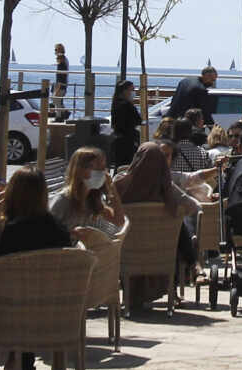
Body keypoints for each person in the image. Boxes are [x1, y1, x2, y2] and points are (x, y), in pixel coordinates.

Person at [0, 166, 77, 370]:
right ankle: (21, 365)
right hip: (53, 306)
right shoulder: (57, 229)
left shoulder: (9, 231)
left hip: (10, 308)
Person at [115, 142, 200, 305]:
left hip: (128, 251)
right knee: (175, 226)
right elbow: (193, 207)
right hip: (160, 253)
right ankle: (191, 266)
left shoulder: (120, 182)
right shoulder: (166, 186)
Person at [50, 146, 125, 236]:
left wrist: (111, 187)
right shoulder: (63, 200)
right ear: (78, 170)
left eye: (103, 168)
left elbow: (119, 221)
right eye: (94, 167)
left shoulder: (93, 200)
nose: (100, 172)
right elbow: (48, 231)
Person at [170, 118, 218, 199]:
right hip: (197, 196)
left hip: (174, 195)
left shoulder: (169, 152)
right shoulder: (201, 152)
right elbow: (210, 175)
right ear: (190, 132)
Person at [111, 80, 142, 166]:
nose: (133, 92)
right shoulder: (127, 105)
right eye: (132, 90)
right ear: (125, 91)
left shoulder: (115, 103)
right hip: (128, 140)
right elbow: (138, 119)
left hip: (118, 139)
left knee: (119, 165)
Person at [52, 44, 70, 119]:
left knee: (56, 100)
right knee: (57, 100)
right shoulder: (64, 60)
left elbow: (61, 76)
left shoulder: (62, 61)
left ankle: (59, 117)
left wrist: (57, 87)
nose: (54, 51)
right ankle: (64, 113)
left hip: (61, 84)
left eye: (56, 50)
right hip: (62, 84)